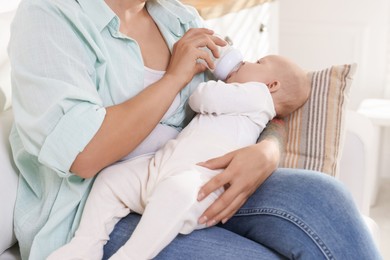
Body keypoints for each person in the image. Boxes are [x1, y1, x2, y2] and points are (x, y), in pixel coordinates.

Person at [8, 0, 381, 259]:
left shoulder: (177, 18)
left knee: (327, 199)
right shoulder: (51, 16)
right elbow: (84, 155)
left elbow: (255, 95)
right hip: (105, 207)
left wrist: (267, 152)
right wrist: (173, 78)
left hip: (198, 175)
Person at [47, 54, 311, 260]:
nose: (246, 60)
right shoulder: (251, 99)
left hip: (198, 182)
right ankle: (85, 245)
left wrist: (269, 150)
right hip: (163, 166)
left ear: (271, 85)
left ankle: (125, 254)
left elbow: (201, 97)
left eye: (258, 62)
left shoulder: (257, 95)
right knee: (111, 178)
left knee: (175, 193)